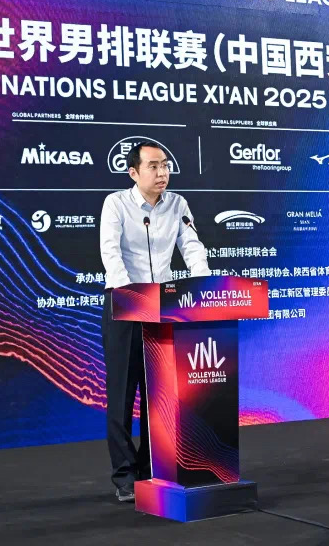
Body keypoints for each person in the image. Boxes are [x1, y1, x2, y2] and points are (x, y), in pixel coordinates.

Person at [99, 140, 210, 502]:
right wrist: (132, 295)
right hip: (124, 305)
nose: (162, 173)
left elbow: (191, 245)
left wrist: (204, 286)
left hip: (162, 306)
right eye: (153, 166)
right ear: (133, 172)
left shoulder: (177, 204)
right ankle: (124, 475)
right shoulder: (116, 204)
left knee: (157, 394)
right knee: (121, 394)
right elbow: (110, 252)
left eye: (165, 165)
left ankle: (152, 468)